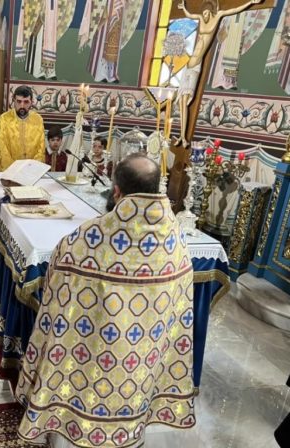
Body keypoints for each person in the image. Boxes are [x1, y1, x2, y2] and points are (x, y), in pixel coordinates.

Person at [16, 153, 195, 447]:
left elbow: (55, 291)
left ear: (116, 191)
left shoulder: (89, 237)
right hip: (140, 369)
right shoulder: (176, 239)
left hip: (86, 369)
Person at [175, 0, 262, 147]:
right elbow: (191, 15)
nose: (204, 15)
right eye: (203, 13)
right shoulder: (201, 18)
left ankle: (184, 137)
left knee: (186, 100)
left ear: (211, 11)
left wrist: (250, 2)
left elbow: (233, 10)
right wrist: (184, 7)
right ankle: (181, 136)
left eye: (207, 13)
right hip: (188, 65)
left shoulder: (218, 16)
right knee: (181, 103)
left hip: (196, 66)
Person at [0, 85, 45, 171]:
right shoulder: (4, 119)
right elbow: (2, 149)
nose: (22, 105)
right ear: (13, 100)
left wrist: (31, 170)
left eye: (26, 102)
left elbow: (41, 149)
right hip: (9, 171)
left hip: (31, 172)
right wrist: (15, 170)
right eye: (19, 101)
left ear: (32, 102)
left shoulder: (38, 120)